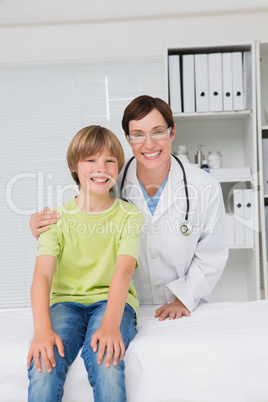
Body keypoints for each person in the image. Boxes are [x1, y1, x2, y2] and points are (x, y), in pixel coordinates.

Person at [29, 95, 229, 321]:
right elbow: (81, 221)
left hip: (185, 306)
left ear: (172, 133)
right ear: (128, 139)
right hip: (122, 304)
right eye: (138, 135)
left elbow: (213, 253)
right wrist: (44, 225)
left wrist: (183, 298)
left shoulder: (204, 186)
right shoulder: (111, 180)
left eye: (158, 132)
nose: (149, 143)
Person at [27, 125, 144, 402]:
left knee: (106, 360)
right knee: (44, 363)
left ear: (118, 167)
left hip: (111, 302)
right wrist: (42, 330)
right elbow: (42, 276)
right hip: (65, 303)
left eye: (109, 161)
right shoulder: (55, 219)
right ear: (74, 166)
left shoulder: (129, 216)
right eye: (90, 160)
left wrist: (111, 325)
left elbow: (123, 270)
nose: (100, 168)